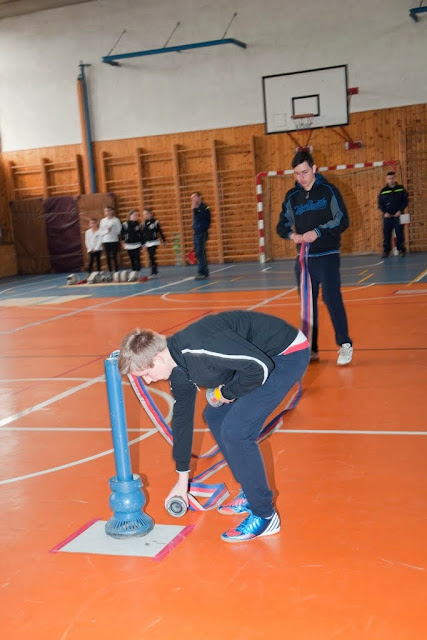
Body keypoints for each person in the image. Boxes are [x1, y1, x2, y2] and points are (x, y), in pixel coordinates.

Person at [118, 310, 310, 543]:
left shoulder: (201, 349)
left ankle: (265, 515)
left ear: (157, 359)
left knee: (236, 433)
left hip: (286, 355)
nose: (148, 381)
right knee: (215, 415)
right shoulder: (177, 366)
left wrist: (225, 392)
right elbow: (182, 420)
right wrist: (182, 482)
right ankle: (250, 492)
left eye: (146, 374)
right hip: (258, 357)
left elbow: (260, 368)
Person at [276, 150, 353, 366]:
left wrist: (318, 232)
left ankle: (345, 344)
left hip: (327, 256)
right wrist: (292, 235)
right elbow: (282, 224)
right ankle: (311, 349)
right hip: (304, 260)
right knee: (307, 306)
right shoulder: (292, 196)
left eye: (305, 172)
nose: (301, 177)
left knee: (331, 299)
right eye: (297, 174)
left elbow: (342, 220)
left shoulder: (328, 191)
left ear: (314, 169)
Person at [378, 171, 408, 258]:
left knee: (399, 233)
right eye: (389, 178)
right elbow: (380, 204)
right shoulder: (383, 191)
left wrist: (400, 210)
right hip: (387, 217)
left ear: (395, 178)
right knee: (386, 234)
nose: (391, 180)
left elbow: (405, 201)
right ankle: (386, 251)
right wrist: (385, 212)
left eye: (392, 178)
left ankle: (401, 249)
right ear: (387, 179)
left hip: (398, 215)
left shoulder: (401, 189)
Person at [191, 191, 211, 280]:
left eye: (194, 197)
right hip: (196, 233)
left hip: (202, 233)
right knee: (199, 252)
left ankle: (202, 272)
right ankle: (205, 271)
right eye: (192, 198)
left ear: (199, 197)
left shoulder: (204, 207)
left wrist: (195, 210)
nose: (193, 199)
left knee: (200, 252)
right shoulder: (196, 208)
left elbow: (202, 218)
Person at [141, 208, 166, 278]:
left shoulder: (155, 222)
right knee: (150, 256)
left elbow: (160, 231)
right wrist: (143, 244)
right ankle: (154, 271)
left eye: (147, 214)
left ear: (151, 214)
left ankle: (154, 271)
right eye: (144, 215)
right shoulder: (143, 224)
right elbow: (143, 235)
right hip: (147, 242)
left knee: (151, 254)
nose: (145, 216)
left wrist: (164, 240)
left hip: (154, 242)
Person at [99, 206, 122, 272]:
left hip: (114, 240)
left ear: (112, 211)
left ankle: (116, 270)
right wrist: (107, 231)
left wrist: (112, 230)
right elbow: (100, 232)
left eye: (109, 210)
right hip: (106, 241)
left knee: (114, 256)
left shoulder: (116, 220)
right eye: (106, 211)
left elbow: (119, 231)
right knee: (108, 256)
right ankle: (110, 271)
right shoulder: (102, 221)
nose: (107, 212)